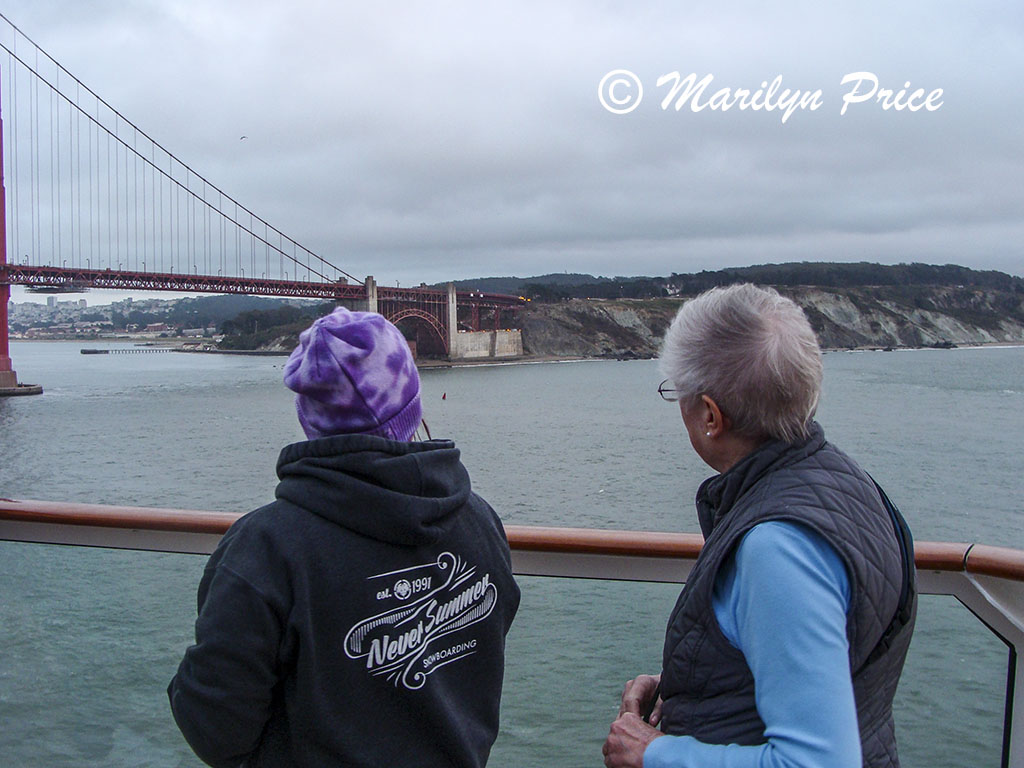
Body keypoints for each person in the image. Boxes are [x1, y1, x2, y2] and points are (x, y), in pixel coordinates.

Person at [169, 307, 520, 768]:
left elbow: (215, 727)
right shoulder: (479, 519)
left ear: (309, 417)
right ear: (413, 405)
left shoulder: (266, 547)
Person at [603, 284, 916, 768]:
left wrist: (655, 753)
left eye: (677, 395)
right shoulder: (852, 486)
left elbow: (820, 762)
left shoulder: (778, 545)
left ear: (711, 416)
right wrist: (690, 687)